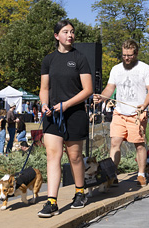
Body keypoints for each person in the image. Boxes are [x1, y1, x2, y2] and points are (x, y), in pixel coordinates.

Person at [38, 20, 93, 218]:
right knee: (53, 156)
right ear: (56, 36)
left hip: (74, 114)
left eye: (72, 32)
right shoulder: (48, 60)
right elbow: (44, 89)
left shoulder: (80, 58)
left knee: (75, 157)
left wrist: (66, 105)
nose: (70, 35)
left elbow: (88, 90)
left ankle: (80, 192)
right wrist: (44, 104)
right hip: (52, 115)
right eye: (65, 32)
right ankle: (51, 201)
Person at [94, 39, 149, 187]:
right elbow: (110, 88)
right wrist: (102, 97)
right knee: (115, 142)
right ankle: (112, 174)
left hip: (137, 114)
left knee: (139, 145)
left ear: (136, 53)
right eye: (124, 55)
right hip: (119, 113)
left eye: (129, 55)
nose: (126, 58)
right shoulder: (116, 69)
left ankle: (141, 174)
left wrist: (144, 105)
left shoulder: (145, 69)